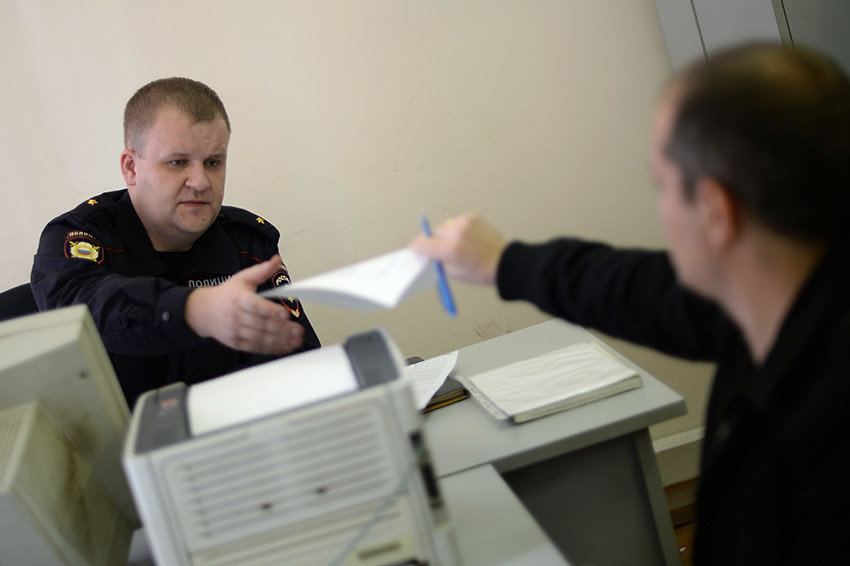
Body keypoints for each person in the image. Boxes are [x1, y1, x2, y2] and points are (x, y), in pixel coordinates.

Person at [412, 43, 850, 564]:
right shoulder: (775, 294)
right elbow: (635, 289)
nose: (659, 208)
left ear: (714, 212)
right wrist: (503, 262)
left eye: (661, 186)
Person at [31, 77, 320, 407]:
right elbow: (82, 314)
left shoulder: (248, 243)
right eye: (178, 162)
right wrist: (195, 311)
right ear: (130, 168)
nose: (199, 182)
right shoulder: (80, 237)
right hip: (121, 450)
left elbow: (298, 364)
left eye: (213, 162)